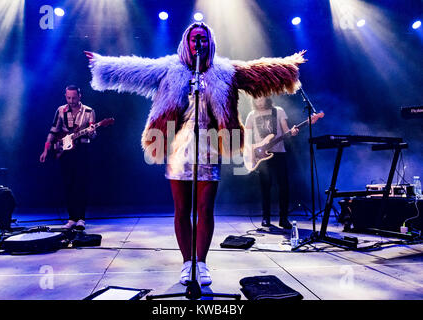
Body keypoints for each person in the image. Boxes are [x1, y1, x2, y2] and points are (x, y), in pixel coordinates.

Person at [85, 22, 306, 286]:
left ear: (209, 42)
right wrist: (103, 64)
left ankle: (201, 263)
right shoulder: (169, 68)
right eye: (193, 38)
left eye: (202, 38)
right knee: (181, 209)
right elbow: (135, 69)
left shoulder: (224, 71)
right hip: (179, 145)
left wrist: (289, 66)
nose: (197, 42)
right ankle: (186, 262)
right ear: (186, 43)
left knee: (205, 208)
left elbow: (257, 72)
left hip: (210, 145)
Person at [40, 85, 96, 231]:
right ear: (65, 96)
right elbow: (53, 131)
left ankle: (81, 219)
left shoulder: (89, 111)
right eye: (68, 97)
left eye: (74, 98)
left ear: (80, 96)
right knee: (68, 185)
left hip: (82, 150)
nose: (71, 101)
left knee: (81, 185)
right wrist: (46, 149)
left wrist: (91, 132)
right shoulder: (60, 111)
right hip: (65, 152)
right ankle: (71, 218)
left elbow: (93, 134)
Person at [245, 96, 299, 229]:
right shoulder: (252, 115)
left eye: (261, 99)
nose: (258, 101)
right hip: (261, 156)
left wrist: (292, 132)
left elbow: (286, 131)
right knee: (265, 188)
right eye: (256, 99)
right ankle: (266, 218)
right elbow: (246, 137)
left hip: (279, 153)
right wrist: (251, 151)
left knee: (283, 187)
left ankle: (283, 218)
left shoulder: (278, 111)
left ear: (266, 98)